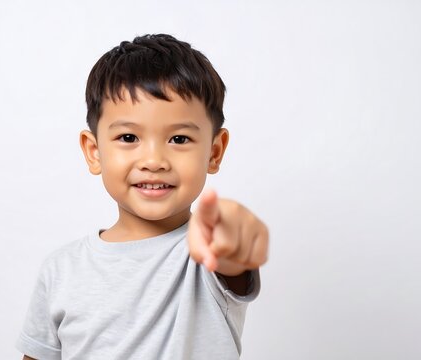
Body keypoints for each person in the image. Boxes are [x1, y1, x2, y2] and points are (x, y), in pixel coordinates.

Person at [16, 34, 269, 360]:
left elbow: (233, 262)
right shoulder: (61, 269)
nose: (153, 160)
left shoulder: (204, 256)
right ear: (94, 152)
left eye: (179, 138)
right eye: (128, 137)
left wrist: (233, 237)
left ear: (214, 151)